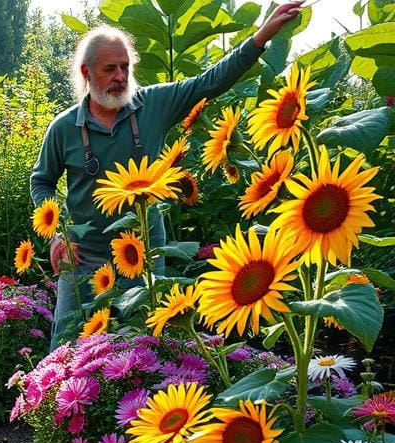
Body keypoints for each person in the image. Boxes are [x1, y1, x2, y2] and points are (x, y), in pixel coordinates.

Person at [30, 1, 304, 347]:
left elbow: (211, 82)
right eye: (109, 69)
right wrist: (56, 233)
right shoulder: (65, 128)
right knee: (65, 345)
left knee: (143, 346)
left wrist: (261, 36)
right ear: (86, 74)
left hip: (143, 254)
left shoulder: (155, 104)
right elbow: (41, 180)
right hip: (83, 257)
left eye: (125, 67)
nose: (120, 77)